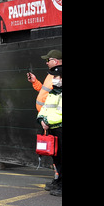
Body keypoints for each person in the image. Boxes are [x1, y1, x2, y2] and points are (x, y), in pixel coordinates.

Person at [36, 65, 62, 196]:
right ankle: (58, 182)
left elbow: (59, 113)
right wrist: (41, 118)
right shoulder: (54, 92)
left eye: (56, 76)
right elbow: (45, 108)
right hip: (53, 129)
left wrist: (46, 121)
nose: (54, 79)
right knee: (56, 158)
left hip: (59, 128)